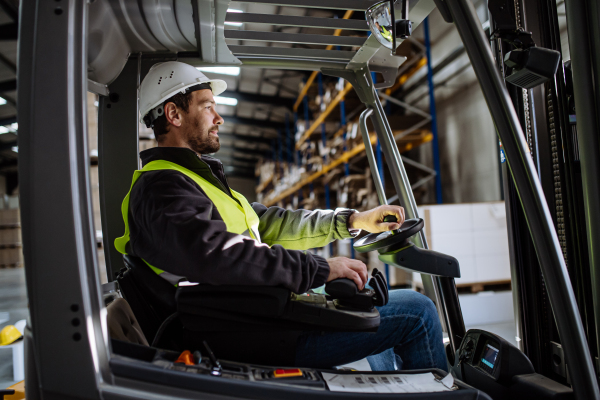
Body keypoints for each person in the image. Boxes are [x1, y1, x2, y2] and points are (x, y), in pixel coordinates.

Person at [116, 61, 446, 372]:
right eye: (207, 106)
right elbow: (222, 256)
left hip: (255, 319)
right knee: (419, 312)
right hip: (248, 335)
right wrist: (321, 269)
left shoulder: (194, 182)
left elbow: (273, 223)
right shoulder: (161, 188)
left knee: (370, 310)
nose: (219, 117)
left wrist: (352, 221)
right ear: (173, 114)